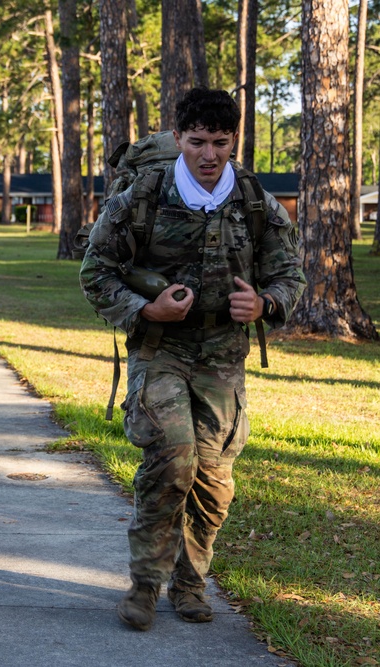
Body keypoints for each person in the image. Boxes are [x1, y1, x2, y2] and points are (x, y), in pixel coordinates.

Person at [80, 87, 305, 632]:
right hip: (161, 352)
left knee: (214, 477)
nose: (209, 155)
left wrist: (265, 303)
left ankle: (190, 581)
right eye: (197, 141)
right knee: (172, 457)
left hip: (224, 357)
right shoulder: (141, 195)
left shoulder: (253, 200)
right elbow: (95, 273)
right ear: (178, 137)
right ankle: (145, 584)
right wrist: (145, 308)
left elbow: (290, 275)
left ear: (234, 141)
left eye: (220, 143)